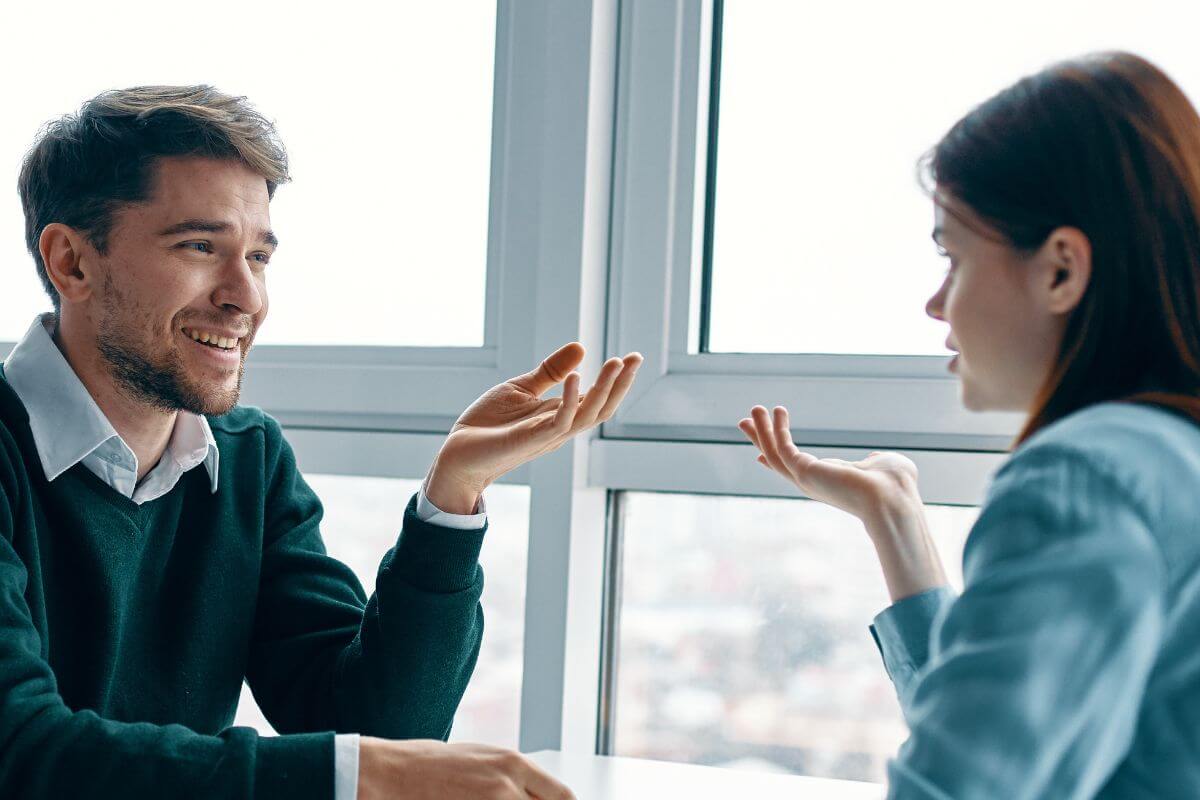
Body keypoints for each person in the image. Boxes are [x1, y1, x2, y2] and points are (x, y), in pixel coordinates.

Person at [0, 85, 642, 800]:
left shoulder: (247, 459)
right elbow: (21, 750)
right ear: (72, 263)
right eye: (201, 246)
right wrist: (362, 772)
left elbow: (376, 723)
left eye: (260, 256)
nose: (246, 297)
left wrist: (451, 496)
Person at [739, 52, 1200, 798]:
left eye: (953, 257)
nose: (935, 303)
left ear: (1060, 271)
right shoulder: (1172, 458)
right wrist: (895, 521)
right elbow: (1010, 750)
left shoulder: (1085, 477)